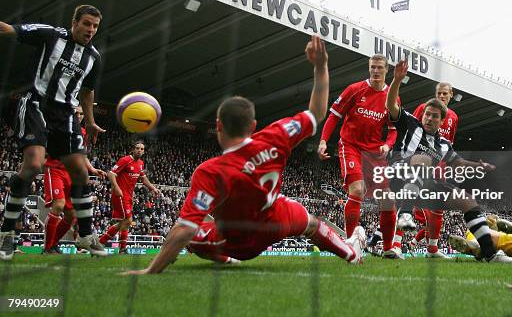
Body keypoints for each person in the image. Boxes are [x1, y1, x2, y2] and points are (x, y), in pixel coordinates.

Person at [124, 36, 366, 275]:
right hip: (278, 219)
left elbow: (185, 228)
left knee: (194, 237)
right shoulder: (277, 135)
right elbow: (317, 112)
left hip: (240, 242)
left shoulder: (210, 171)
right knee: (311, 223)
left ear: (218, 125)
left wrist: (151, 270)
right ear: (253, 126)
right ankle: (352, 254)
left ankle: (226, 258)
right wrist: (321, 66)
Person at [0, 5, 107, 260]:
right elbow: (10, 29)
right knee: (34, 164)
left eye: (95, 26)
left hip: (66, 114)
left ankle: (85, 235)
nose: (90, 29)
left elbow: (88, 91)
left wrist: (90, 121)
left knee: (81, 172)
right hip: (36, 103)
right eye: (87, 23)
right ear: (75, 22)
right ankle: (7, 235)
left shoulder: (94, 57)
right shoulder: (51, 35)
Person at [386, 58, 512, 262]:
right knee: (422, 159)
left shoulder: (444, 144)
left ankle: (490, 253)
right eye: (427, 114)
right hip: (397, 175)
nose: (429, 118)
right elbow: (391, 104)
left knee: (468, 200)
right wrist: (397, 80)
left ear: (442, 120)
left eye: (434, 116)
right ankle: (406, 215)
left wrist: (479, 165)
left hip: (423, 185)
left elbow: (458, 162)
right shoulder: (410, 124)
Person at [317, 55, 400, 258]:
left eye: (380, 67)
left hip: (374, 152)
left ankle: (388, 248)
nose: (376, 71)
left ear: (386, 70)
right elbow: (334, 116)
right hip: (350, 145)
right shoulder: (354, 89)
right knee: (357, 189)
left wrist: (387, 146)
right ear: (369, 68)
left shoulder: (392, 97)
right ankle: (349, 243)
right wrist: (323, 140)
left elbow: (393, 130)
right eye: (372, 67)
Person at [42, 105, 106, 254]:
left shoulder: (82, 133)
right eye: (76, 113)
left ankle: (52, 245)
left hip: (71, 174)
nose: (79, 116)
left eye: (82, 114)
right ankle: (47, 248)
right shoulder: (58, 127)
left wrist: (92, 169)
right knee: (58, 205)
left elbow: (82, 156)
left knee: (72, 215)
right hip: (55, 169)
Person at [406, 82, 459, 258]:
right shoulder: (423, 107)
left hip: (439, 165)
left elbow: (449, 143)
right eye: (439, 93)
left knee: (438, 207)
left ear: (451, 94)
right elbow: (410, 129)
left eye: (445, 93)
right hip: (420, 161)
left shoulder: (454, 117)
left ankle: (432, 250)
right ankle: (395, 244)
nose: (442, 96)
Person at [99, 141, 160, 253]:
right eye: (137, 148)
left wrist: (153, 188)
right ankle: (121, 248)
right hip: (120, 194)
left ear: (144, 151)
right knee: (128, 220)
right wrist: (116, 188)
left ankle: (101, 243)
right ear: (133, 149)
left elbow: (143, 178)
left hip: (129, 196)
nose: (139, 150)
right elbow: (111, 174)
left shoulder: (141, 163)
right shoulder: (125, 160)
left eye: (141, 149)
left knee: (123, 222)